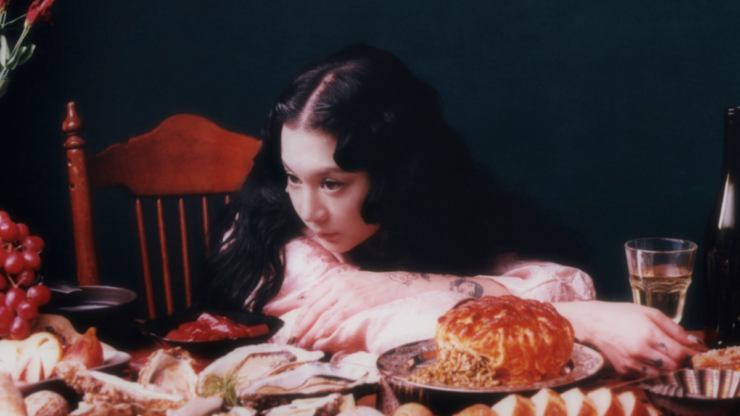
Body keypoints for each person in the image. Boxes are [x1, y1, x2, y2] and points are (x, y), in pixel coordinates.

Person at [199, 44, 700, 376]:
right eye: (292, 177)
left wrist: (396, 283)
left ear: (397, 173)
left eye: (332, 183)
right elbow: (395, 329)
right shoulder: (263, 237)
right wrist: (579, 322)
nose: (309, 209)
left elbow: (564, 281)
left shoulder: (432, 216)